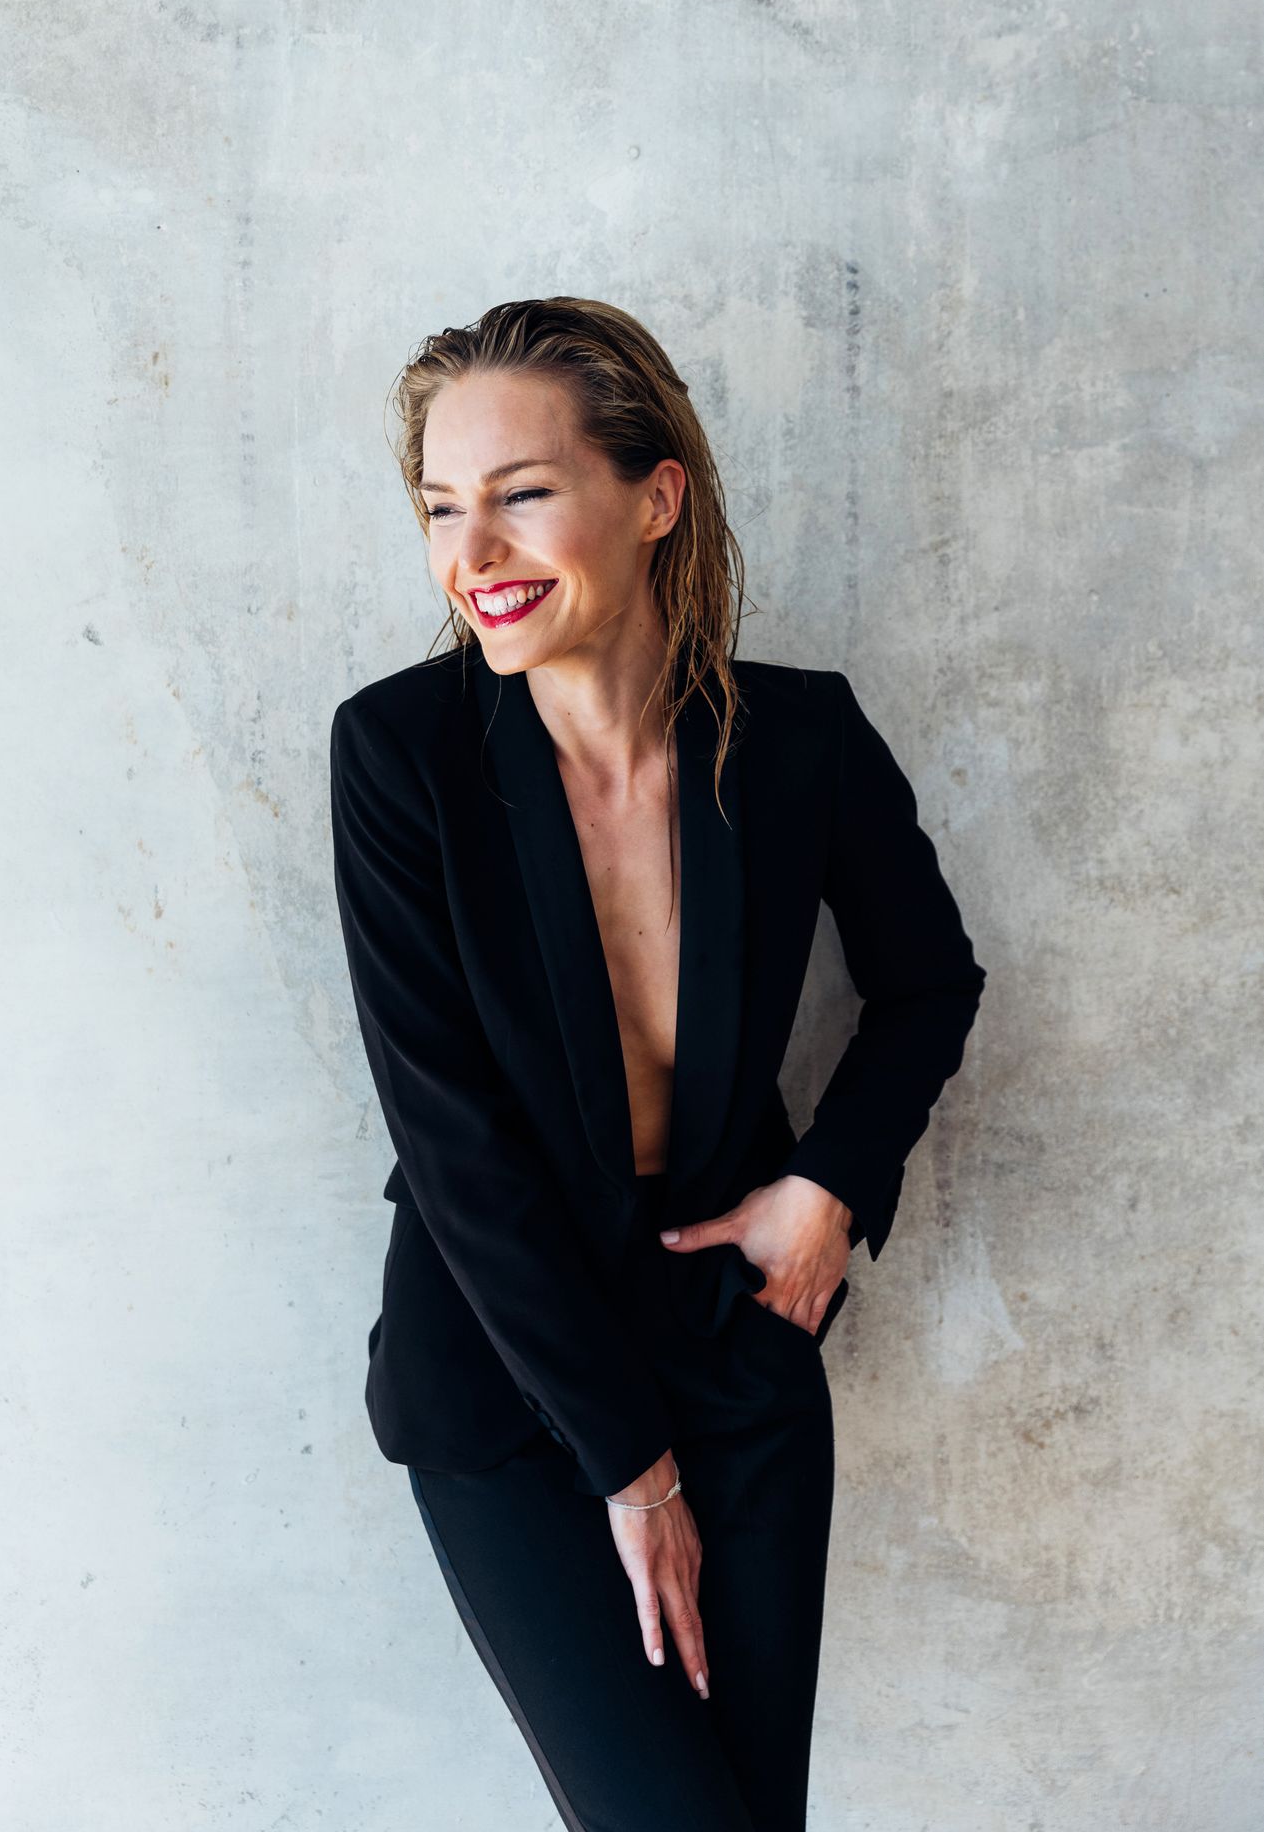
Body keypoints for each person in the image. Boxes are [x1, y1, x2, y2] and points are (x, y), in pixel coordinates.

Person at [329, 297, 987, 1831]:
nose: (472, 551)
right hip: (505, 1380)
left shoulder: (802, 739)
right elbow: (452, 1144)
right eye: (440, 507)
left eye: (521, 492)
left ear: (654, 495)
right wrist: (633, 1471)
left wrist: (827, 1184)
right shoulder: (401, 755)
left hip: (731, 1350)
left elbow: (928, 985)